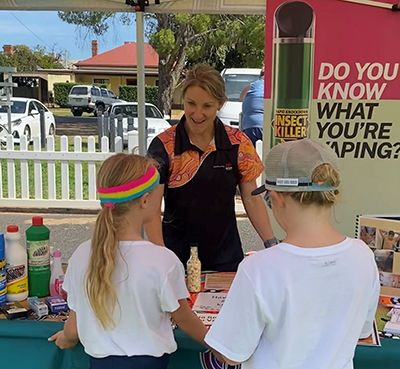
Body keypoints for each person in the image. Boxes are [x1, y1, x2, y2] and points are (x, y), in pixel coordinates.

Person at [205, 139, 380, 369]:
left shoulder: (259, 268)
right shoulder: (363, 257)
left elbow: (231, 353)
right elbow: (363, 331)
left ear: (276, 198)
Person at [48, 153, 207, 369]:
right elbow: (184, 319)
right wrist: (220, 348)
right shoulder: (163, 261)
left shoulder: (81, 255)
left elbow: (73, 329)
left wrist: (65, 338)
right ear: (144, 201)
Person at [146, 64, 276, 272]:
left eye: (207, 106)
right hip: (175, 259)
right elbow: (151, 209)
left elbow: (251, 197)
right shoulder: (163, 145)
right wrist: (161, 260)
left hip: (226, 257)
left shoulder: (238, 143)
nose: (197, 113)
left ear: (220, 104)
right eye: (191, 104)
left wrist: (271, 244)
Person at [240, 68, 264, 147]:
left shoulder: (251, 85)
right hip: (265, 125)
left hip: (248, 124)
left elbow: (241, 98)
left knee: (248, 153)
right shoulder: (272, 87)